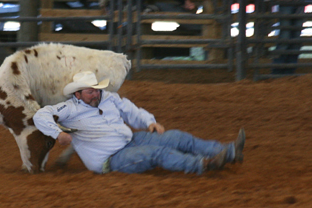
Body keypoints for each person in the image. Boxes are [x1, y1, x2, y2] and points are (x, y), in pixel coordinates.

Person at [34, 71, 245, 175]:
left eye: (97, 89)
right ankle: (202, 165)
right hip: (110, 160)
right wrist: (57, 134)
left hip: (130, 139)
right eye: (90, 91)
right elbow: (40, 116)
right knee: (157, 153)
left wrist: (149, 122)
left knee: (176, 137)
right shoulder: (68, 109)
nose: (96, 93)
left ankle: (228, 151)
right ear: (78, 94)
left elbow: (130, 109)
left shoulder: (108, 98)